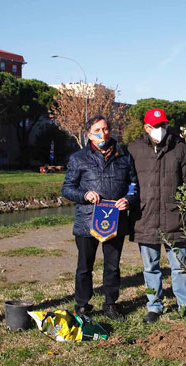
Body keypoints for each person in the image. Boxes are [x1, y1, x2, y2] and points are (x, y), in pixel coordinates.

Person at [128, 108, 186, 324]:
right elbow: (128, 182)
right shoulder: (133, 150)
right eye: (155, 126)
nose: (160, 129)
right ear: (146, 127)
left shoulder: (180, 149)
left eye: (163, 125)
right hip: (145, 217)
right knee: (150, 267)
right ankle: (154, 305)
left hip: (174, 217)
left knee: (179, 266)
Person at [61, 115, 138, 320]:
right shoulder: (78, 158)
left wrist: (129, 199)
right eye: (97, 130)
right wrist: (84, 195)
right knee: (84, 266)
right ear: (89, 135)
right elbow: (67, 188)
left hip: (116, 219)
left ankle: (110, 304)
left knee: (112, 266)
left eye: (105, 129)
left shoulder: (124, 156)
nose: (102, 133)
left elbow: (134, 185)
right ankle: (82, 305)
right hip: (87, 221)